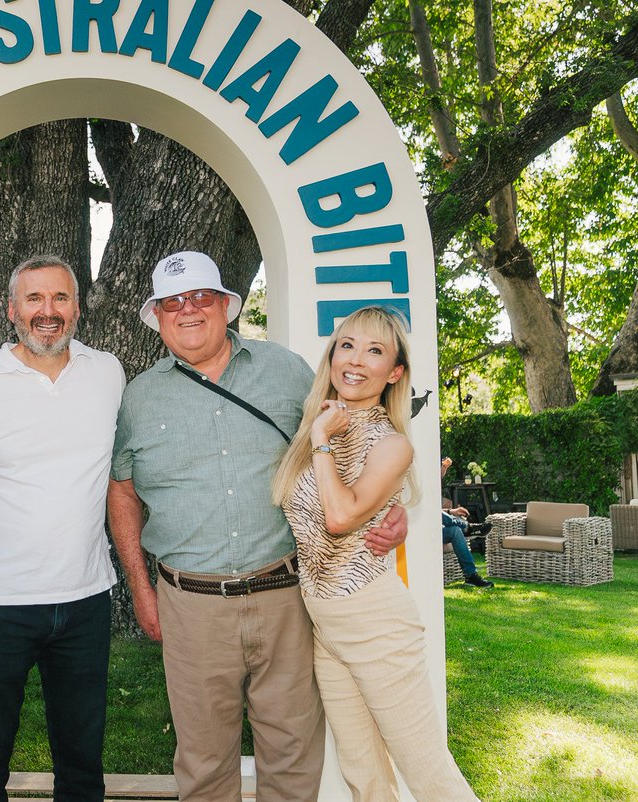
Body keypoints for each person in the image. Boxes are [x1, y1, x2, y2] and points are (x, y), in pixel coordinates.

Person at [108, 251, 407, 802]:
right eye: (173, 303)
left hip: (287, 595)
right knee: (202, 765)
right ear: (158, 319)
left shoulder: (289, 371)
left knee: (293, 754)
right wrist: (141, 589)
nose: (188, 310)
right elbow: (121, 489)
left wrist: (394, 507)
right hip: (189, 603)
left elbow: (352, 441)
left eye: (201, 297)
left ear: (226, 306)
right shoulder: (137, 398)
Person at [271, 306, 478, 801]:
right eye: (348, 345)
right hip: (325, 625)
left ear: (395, 373)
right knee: (364, 777)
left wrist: (321, 441)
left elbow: (340, 517)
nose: (356, 360)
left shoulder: (390, 444)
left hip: (374, 622)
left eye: (375, 351)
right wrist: (318, 434)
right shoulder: (315, 423)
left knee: (429, 776)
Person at [0, 256, 124, 802]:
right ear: (12, 310)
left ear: (76, 308)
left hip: (85, 597)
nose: (47, 312)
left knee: (82, 766)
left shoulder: (108, 373)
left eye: (59, 299)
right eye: (34, 300)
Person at [440, 457, 494, 588]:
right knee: (458, 527)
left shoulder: (424, 490)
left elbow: (432, 481)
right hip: (417, 531)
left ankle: (471, 576)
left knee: (455, 531)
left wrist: (451, 511)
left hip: (435, 527)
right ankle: (467, 528)